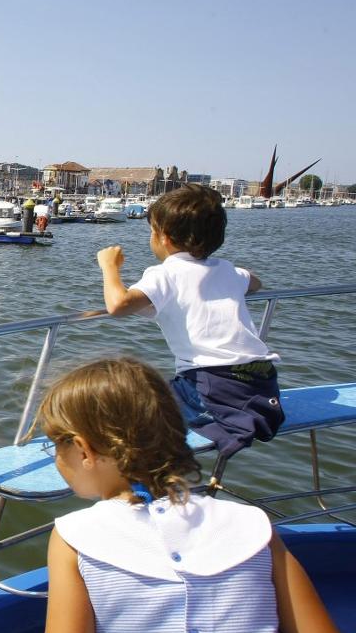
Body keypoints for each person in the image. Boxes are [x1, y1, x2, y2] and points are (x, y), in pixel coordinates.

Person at [4, 358, 356, 633]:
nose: (55, 457)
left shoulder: (75, 537)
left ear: (83, 450)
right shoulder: (253, 526)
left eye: (54, 445)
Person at [95, 183, 282, 458]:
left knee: (132, 407)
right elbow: (255, 282)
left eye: (152, 231)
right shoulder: (227, 269)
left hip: (212, 386)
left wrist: (109, 267)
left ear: (164, 238)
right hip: (261, 382)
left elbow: (118, 305)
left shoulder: (166, 273)